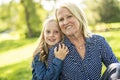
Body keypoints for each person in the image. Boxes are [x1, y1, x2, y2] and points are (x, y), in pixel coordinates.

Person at [47, 1, 120, 80]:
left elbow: (116, 69)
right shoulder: (57, 50)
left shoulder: (98, 41)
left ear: (79, 16)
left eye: (69, 16)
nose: (65, 22)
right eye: (61, 19)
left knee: (116, 66)